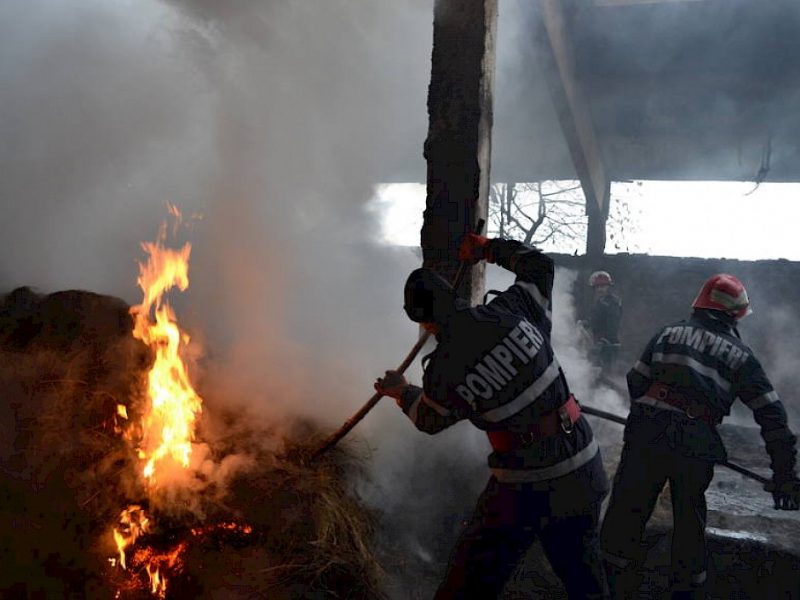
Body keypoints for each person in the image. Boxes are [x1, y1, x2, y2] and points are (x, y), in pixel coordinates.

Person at [375, 233, 609, 599]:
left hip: (526, 485)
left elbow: (430, 420)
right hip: (582, 464)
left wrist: (401, 391)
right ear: (454, 296)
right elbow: (540, 266)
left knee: (466, 586)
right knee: (585, 580)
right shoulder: (513, 308)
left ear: (422, 322)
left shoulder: (444, 368)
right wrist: (486, 248)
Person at [599, 274, 800, 600]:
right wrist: (784, 475)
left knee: (626, 511)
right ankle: (686, 588)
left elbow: (636, 380)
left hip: (647, 433)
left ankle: (610, 584)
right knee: (689, 518)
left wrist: (649, 418)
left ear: (700, 304)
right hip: (694, 443)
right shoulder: (741, 356)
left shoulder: (666, 333)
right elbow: (773, 417)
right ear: (735, 314)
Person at [587, 271, 622, 373]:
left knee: (604, 373)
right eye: (597, 287)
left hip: (608, 345)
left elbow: (613, 324)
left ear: (608, 287)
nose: (600, 289)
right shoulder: (599, 302)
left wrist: (604, 341)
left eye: (602, 286)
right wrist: (586, 322)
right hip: (599, 342)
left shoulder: (612, 303)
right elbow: (596, 320)